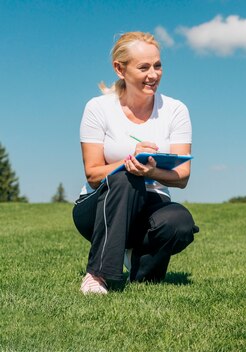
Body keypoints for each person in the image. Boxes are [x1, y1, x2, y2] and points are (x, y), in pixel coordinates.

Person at [72, 32, 199, 294]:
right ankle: (98, 275)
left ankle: (142, 277)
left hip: (151, 204)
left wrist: (152, 170)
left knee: (180, 222)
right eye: (144, 67)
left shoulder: (176, 110)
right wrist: (129, 159)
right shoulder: (98, 108)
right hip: (99, 207)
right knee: (125, 177)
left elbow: (183, 176)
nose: (153, 74)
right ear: (120, 69)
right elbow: (94, 174)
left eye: (157, 65)